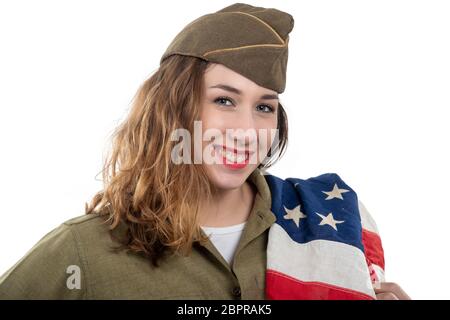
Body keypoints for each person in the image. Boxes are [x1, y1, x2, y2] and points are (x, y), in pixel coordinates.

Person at [0, 2, 410, 300]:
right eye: (224, 100)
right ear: (173, 108)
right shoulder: (82, 254)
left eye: (264, 107)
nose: (248, 130)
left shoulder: (325, 228)